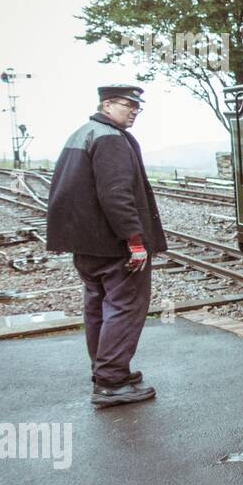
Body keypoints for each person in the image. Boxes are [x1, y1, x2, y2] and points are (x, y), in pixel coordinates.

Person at [46, 85, 167, 407]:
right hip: (114, 245)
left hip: (87, 245)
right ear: (107, 104)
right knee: (125, 307)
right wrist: (135, 241)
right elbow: (116, 194)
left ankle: (108, 372)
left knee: (98, 306)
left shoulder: (84, 132)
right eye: (128, 105)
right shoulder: (110, 138)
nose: (134, 111)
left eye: (138, 107)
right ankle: (111, 382)